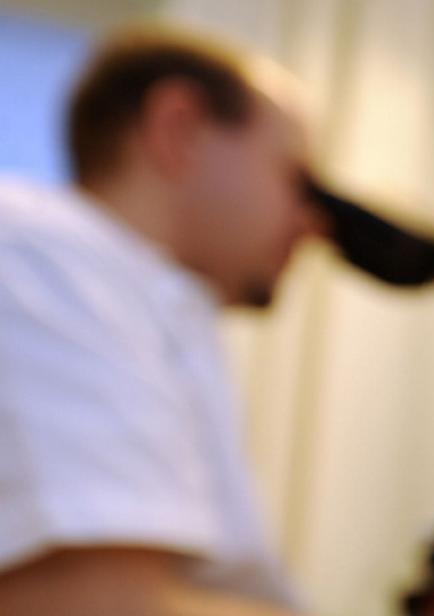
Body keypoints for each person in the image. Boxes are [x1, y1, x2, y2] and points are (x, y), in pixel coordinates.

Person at [0, 25, 317, 616]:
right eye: (297, 180)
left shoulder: (141, 301)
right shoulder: (41, 257)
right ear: (179, 128)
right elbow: (88, 605)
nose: (313, 223)